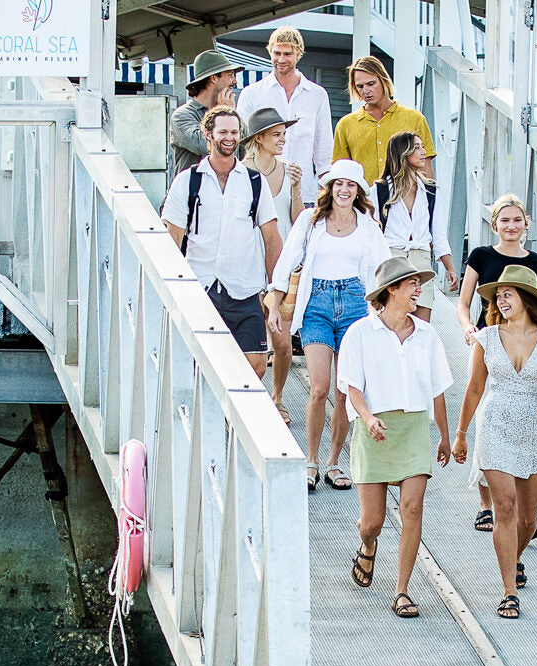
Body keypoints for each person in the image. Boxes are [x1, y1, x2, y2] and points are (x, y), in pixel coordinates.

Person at [450, 266, 537, 620]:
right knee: (504, 509)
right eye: (498, 295)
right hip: (497, 424)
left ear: (526, 298)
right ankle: (508, 592)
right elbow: (474, 388)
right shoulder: (487, 338)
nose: (501, 300)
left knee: (529, 520)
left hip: (535, 426)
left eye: (508, 293)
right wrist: (460, 434)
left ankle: (514, 556)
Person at [264, 159, 388, 492]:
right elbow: (287, 259)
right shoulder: (310, 220)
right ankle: (311, 460)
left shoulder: (368, 227)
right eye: (338, 184)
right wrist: (275, 303)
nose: (344, 190)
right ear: (330, 189)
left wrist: (386, 315)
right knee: (318, 388)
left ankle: (335, 462)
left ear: (358, 190)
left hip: (354, 304)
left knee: (344, 391)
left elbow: (384, 271)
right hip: (317, 302)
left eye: (350, 185)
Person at [339, 256, 453, 619]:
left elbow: (438, 390)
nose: (420, 289)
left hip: (415, 427)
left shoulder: (427, 334)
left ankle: (402, 590)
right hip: (375, 429)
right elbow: (352, 388)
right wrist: (368, 417)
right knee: (372, 521)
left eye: (419, 283)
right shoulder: (359, 333)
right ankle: (367, 544)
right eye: (412, 284)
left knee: (412, 510)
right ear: (392, 290)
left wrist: (448, 437)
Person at [163, 106, 284, 388]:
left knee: (255, 363)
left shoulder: (255, 182)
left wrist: (273, 290)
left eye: (234, 132)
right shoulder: (188, 180)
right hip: (199, 285)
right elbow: (172, 238)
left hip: (242, 286)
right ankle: (213, 421)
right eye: (223, 132)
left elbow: (272, 237)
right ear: (208, 135)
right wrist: (173, 288)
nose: (229, 138)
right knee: (198, 361)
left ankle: (228, 419)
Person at [457, 193, 537, 535]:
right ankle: (488, 505)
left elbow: (536, 307)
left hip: (522, 342)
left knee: (523, 417)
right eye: (504, 220)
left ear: (526, 223)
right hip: (488, 338)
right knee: (485, 413)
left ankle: (524, 510)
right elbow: (464, 302)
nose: (511, 226)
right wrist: (469, 327)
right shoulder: (482, 256)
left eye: (517, 220)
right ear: (494, 224)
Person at [241, 107, 305, 425]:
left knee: (282, 343)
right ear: (260, 138)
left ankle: (277, 397)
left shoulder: (288, 169)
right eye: (276, 134)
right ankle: (252, 401)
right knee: (251, 343)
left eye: (284, 133)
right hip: (246, 267)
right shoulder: (242, 171)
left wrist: (295, 189)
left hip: (281, 269)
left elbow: (298, 219)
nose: (282, 139)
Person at [374, 131, 458, 322]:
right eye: (417, 147)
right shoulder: (379, 190)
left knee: (422, 326)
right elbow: (370, 234)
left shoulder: (431, 191)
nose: (423, 152)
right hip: (391, 259)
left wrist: (450, 268)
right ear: (403, 152)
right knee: (392, 323)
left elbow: (438, 235)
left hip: (421, 261)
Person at [236, 26, 332, 184]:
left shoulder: (317, 95)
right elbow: (242, 144)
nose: (281, 59)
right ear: (270, 52)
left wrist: (324, 188)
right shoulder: (251, 93)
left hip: (303, 189)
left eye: (287, 54)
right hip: (262, 186)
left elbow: (324, 148)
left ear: (298, 55)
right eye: (277, 53)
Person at [331, 55, 435, 186]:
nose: (366, 91)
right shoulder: (346, 125)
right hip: (364, 202)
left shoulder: (414, 119)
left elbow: (426, 170)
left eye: (371, 83)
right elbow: (340, 173)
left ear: (383, 80)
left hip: (405, 201)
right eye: (360, 86)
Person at [170, 49, 242, 178]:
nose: (234, 81)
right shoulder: (182, 115)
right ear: (213, 78)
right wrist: (223, 114)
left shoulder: (232, 113)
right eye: (230, 75)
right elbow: (206, 145)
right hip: (193, 195)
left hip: (228, 192)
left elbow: (246, 149)